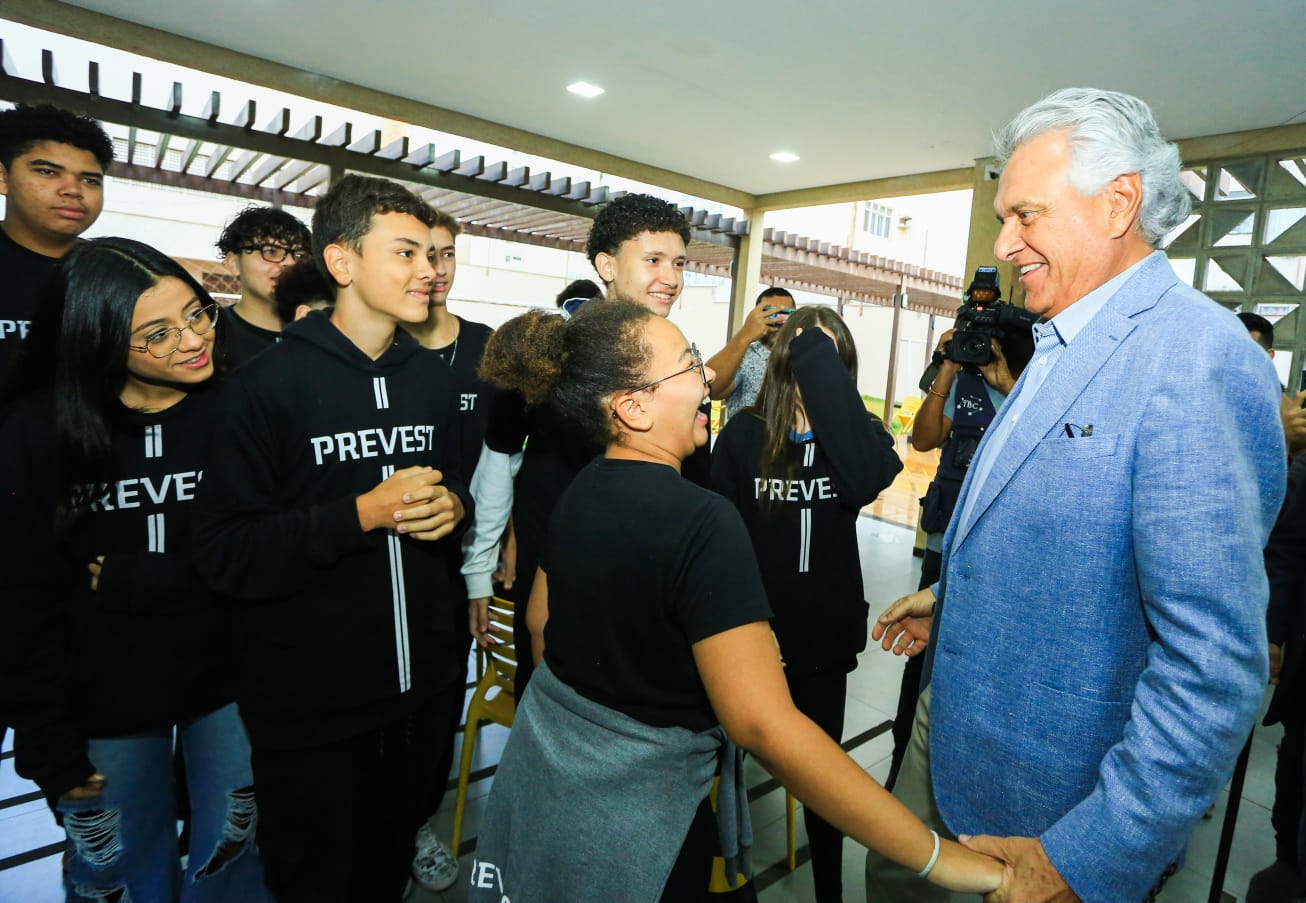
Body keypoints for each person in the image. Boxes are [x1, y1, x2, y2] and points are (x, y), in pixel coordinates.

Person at [866, 87, 1286, 903]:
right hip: (953, 742)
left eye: (1026, 215)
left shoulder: (1196, 358)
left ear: (1118, 201)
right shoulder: (1061, 335)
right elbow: (1078, 534)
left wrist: (1090, 855)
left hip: (1052, 809)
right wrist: (957, 597)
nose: (1003, 242)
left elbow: (1212, 665)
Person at [466, 300, 1001, 903]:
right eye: (687, 365)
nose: (707, 377)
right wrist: (939, 859)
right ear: (632, 406)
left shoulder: (580, 488)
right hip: (652, 825)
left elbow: (541, 628)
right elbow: (764, 725)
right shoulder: (701, 518)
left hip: (557, 799)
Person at [192, 175, 471, 902]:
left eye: (433, 255)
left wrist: (454, 507)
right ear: (342, 264)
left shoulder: (434, 383)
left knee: (385, 874)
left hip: (427, 692)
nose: (428, 270)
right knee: (315, 879)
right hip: (311, 709)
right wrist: (358, 515)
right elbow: (225, 550)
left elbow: (458, 490)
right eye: (405, 252)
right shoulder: (262, 387)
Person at [0, 237, 270, 902]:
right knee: (115, 867)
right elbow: (20, 598)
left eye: (197, 313)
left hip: (232, 687)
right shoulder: (41, 431)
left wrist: (141, 578)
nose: (191, 340)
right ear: (94, 339)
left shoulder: (241, 409)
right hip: (101, 701)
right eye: (156, 332)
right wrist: (47, 742)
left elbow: (267, 550)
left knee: (232, 852)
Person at [463, 192, 698, 701]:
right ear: (606, 265)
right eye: (653, 260)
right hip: (559, 578)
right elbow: (498, 460)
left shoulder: (676, 359)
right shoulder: (547, 354)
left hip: (647, 581)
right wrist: (481, 565)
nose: (671, 277)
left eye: (679, 262)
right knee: (552, 705)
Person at [711, 305, 902, 902]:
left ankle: (828, 893)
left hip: (824, 636)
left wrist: (823, 377)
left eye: (830, 357)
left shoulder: (858, 442)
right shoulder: (743, 435)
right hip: (752, 639)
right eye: (809, 354)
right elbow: (720, 543)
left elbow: (873, 474)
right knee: (721, 771)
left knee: (823, 778)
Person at [884, 325, 1033, 790]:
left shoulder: (1032, 382)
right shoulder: (959, 382)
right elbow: (924, 441)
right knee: (923, 662)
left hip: (1007, 549)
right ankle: (902, 767)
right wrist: (946, 368)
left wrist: (1005, 380)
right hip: (945, 546)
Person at [402, 209, 495, 893]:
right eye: (420, 252)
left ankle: (416, 827)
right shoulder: (377, 350)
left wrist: (495, 558)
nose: (434, 268)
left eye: (446, 253)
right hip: (376, 560)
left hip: (458, 566)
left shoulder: (487, 350)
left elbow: (508, 461)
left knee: (437, 709)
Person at [0, 103, 112, 381]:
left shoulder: (114, 271)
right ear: (3, 178)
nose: (73, 190)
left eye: (89, 180)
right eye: (48, 172)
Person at [213, 205, 312, 369]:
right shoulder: (212, 336)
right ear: (233, 263)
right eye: (271, 251)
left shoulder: (319, 331)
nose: (290, 263)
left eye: (299, 255)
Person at [707, 286, 793, 417]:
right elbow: (711, 389)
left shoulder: (802, 356)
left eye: (785, 314)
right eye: (770, 314)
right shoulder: (745, 355)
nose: (777, 320)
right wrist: (745, 334)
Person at [1238, 310, 1306, 458]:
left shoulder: (1283, 409)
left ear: (1269, 356)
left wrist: (1286, 436)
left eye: (1250, 352)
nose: (1238, 360)